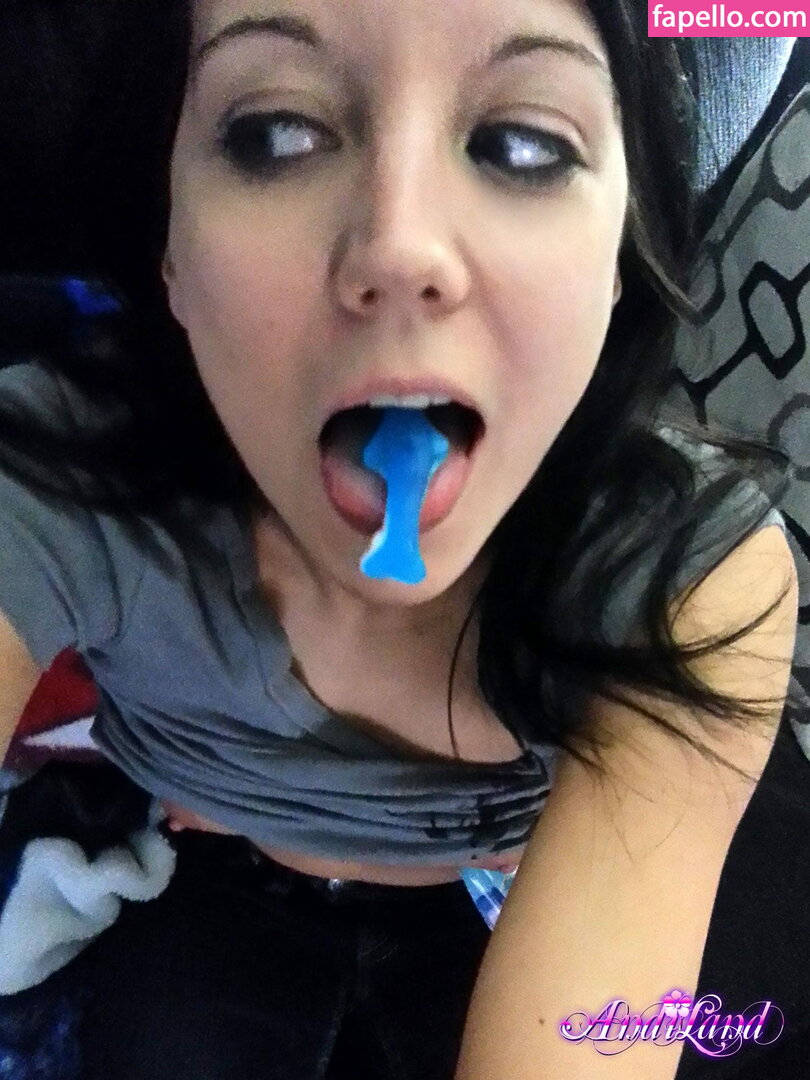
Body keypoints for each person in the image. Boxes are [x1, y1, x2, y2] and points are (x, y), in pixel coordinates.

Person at [0, 2, 802, 1078]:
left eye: (524, 145)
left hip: (496, 893)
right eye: (274, 132)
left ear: (618, 254)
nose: (400, 247)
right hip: (213, 877)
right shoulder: (51, 479)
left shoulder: (691, 578)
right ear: (170, 249)